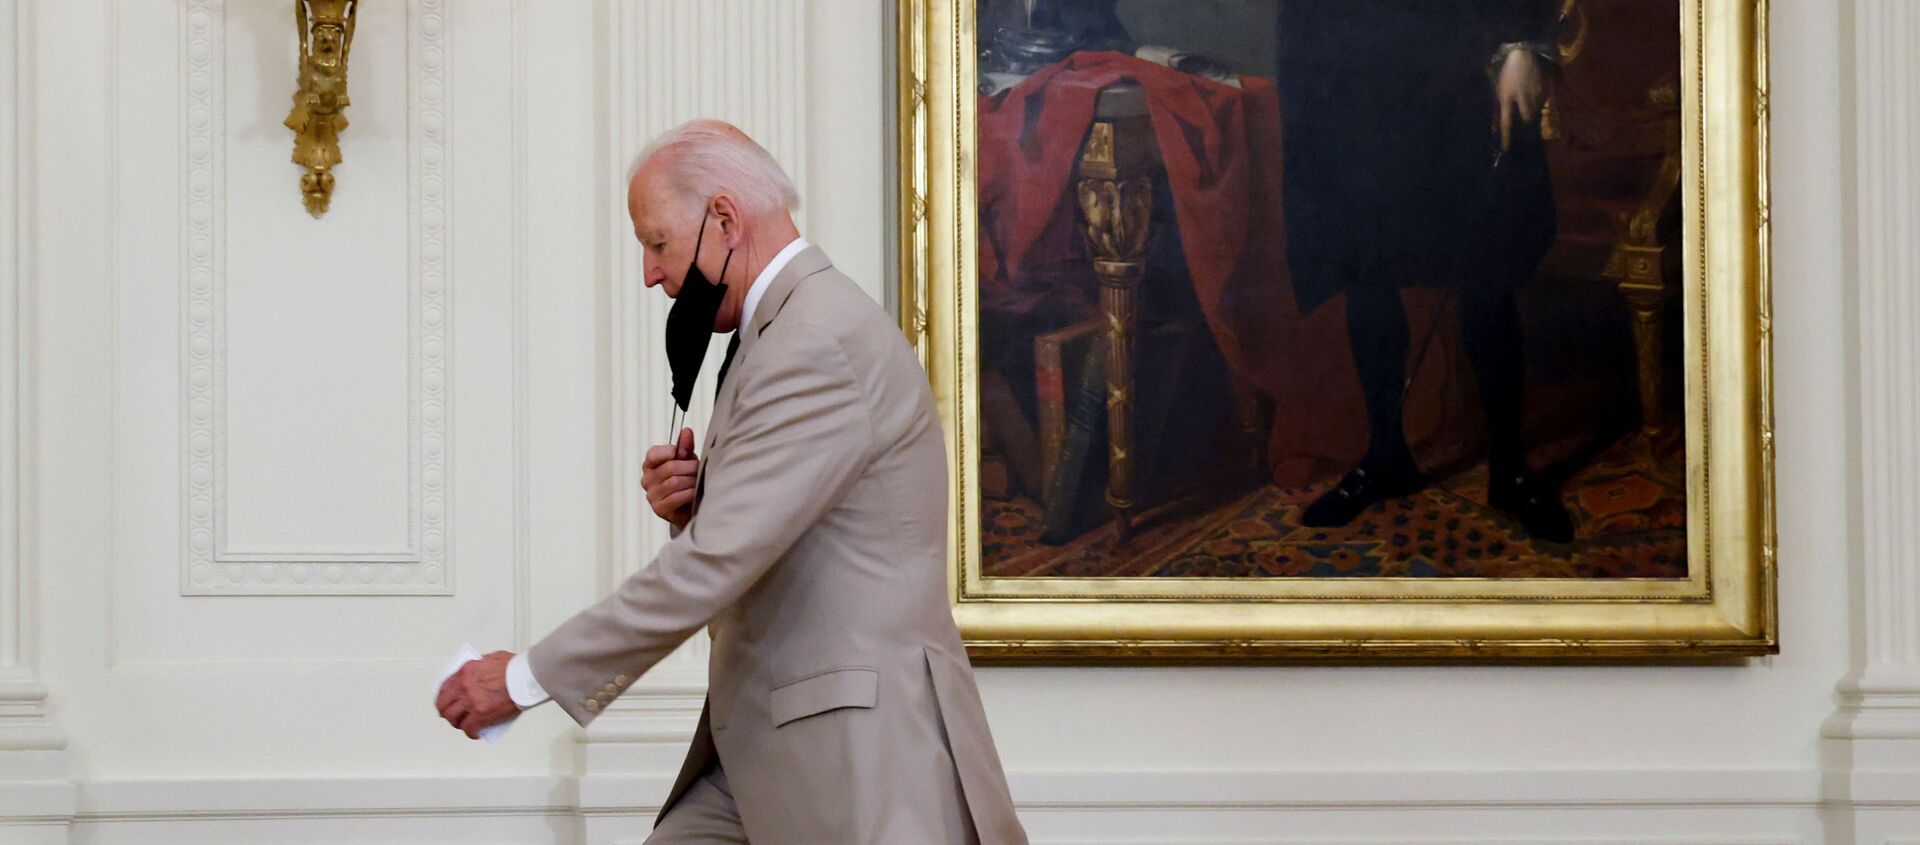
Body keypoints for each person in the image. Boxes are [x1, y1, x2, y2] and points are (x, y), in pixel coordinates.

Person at [435, 120, 1029, 844]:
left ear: (723, 218)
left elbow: (714, 563)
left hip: (858, 759)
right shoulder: (782, 332)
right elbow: (778, 535)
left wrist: (522, 679)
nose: (651, 273)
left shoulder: (812, 339)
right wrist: (696, 504)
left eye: (657, 243)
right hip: (769, 746)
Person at [1275, 1, 1576, 542]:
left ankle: (1509, 469)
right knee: (1366, 265)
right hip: (1343, 69)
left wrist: (1525, 46)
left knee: (1487, 265)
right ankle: (1386, 453)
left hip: (1460, 63)